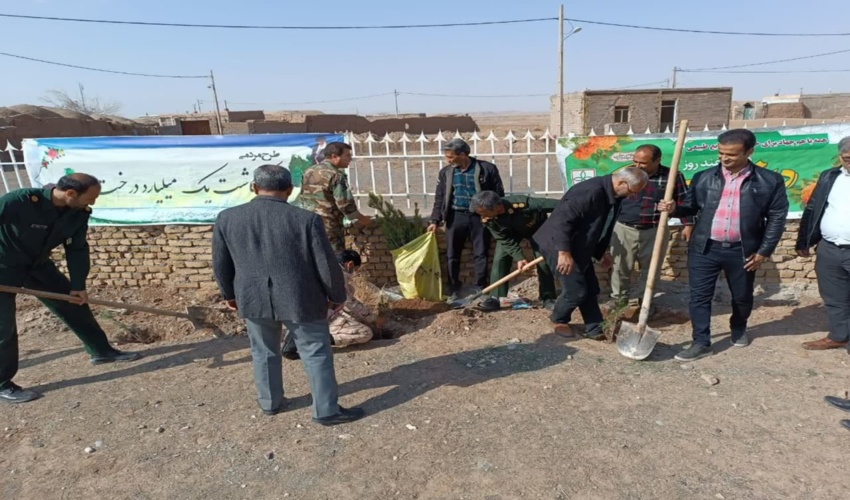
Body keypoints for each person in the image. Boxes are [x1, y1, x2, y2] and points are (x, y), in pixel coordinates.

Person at [213, 164, 365, 425]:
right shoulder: (306, 220)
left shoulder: (227, 218)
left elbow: (221, 263)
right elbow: (326, 264)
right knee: (316, 353)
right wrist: (336, 295)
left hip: (253, 297)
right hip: (301, 298)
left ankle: (270, 403)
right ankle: (326, 411)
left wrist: (229, 294)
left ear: (254, 187)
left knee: (263, 352)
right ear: (290, 190)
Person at [0, 174, 142, 404]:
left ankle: (102, 351)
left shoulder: (78, 214)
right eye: (90, 198)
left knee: (74, 304)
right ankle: (2, 384)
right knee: (3, 329)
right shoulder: (20, 200)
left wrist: (78, 285)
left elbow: (77, 249)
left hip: (38, 266)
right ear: (70, 193)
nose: (92, 203)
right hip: (3, 267)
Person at [658, 129, 789, 361]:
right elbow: (691, 207)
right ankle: (701, 341)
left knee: (742, 296)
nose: (724, 158)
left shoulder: (770, 181)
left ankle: (738, 328)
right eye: (720, 153)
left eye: (731, 154)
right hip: (705, 248)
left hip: (743, 251)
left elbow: (777, 218)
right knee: (699, 297)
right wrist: (674, 209)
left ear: (749, 151)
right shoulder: (704, 177)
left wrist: (763, 251)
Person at [533, 167, 649, 340]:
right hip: (557, 244)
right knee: (576, 290)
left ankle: (594, 327)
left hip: (579, 246)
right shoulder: (589, 192)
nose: (632, 196)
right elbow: (562, 221)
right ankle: (559, 319)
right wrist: (564, 252)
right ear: (621, 183)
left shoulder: (613, 195)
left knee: (591, 288)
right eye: (632, 191)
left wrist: (601, 252)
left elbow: (598, 226)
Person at [609, 144, 693, 313]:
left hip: (655, 230)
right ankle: (619, 301)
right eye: (635, 162)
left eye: (644, 163)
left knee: (651, 270)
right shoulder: (626, 174)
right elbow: (611, 199)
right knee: (620, 267)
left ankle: (641, 302)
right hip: (624, 227)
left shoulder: (672, 177)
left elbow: (685, 202)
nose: (638, 166)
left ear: (657, 161)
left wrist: (687, 223)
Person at [428, 138, 504, 301]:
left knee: (481, 253)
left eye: (450, 157)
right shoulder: (446, 172)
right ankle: (454, 287)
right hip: (456, 216)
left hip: (481, 218)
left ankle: (481, 287)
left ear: (462, 154)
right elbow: (440, 197)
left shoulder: (487, 169)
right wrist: (435, 220)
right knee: (452, 254)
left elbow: (498, 195)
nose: (447, 160)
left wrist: (493, 216)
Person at [797, 136, 850, 351]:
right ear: (840, 157)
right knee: (834, 297)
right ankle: (839, 336)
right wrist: (804, 240)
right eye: (847, 158)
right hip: (830, 249)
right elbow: (813, 209)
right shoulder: (830, 177)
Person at [281, 249, 384, 359]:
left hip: (304, 312)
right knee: (366, 333)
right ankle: (313, 338)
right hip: (319, 315)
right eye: (355, 269)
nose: (354, 272)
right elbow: (350, 303)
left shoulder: (323, 268)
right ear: (350, 264)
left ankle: (300, 335)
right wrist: (373, 318)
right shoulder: (339, 275)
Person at [468, 191, 558, 312]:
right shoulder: (487, 218)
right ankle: (495, 297)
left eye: (483, 212)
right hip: (509, 235)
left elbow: (559, 205)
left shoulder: (523, 203)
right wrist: (520, 258)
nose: (481, 215)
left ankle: (548, 297)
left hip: (537, 229)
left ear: (497, 207)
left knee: (543, 261)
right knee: (500, 258)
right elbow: (504, 240)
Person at [296, 141, 372, 252]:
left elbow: (303, 197)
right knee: (334, 259)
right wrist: (362, 219)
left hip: (307, 224)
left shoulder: (309, 171)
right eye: (347, 155)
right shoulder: (336, 174)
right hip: (329, 227)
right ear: (334, 156)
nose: (350, 159)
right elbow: (345, 204)